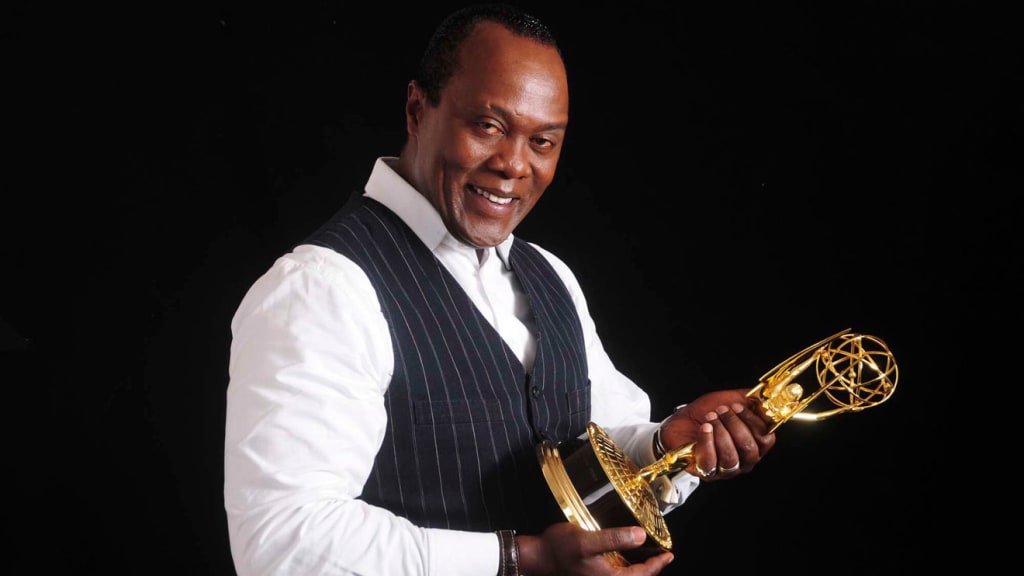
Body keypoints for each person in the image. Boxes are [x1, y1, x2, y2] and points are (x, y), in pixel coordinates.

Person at [223, 4, 777, 575]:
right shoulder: (322, 289)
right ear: (417, 110)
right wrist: (522, 559)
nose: (513, 165)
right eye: (488, 126)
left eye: (543, 141)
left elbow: (595, 447)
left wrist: (670, 447)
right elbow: (283, 541)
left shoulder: (550, 275)